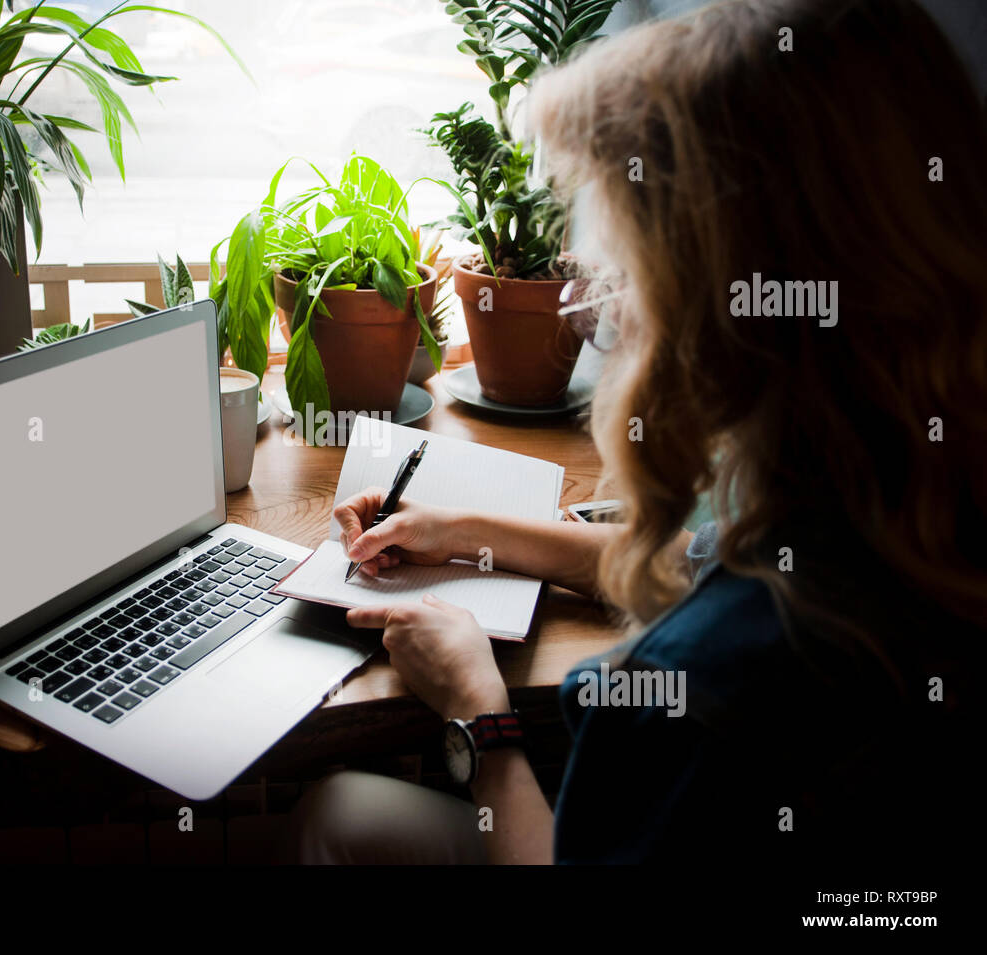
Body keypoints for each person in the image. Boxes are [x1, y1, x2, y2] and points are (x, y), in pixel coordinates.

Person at [286, 0, 986, 864]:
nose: (600, 309)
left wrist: (481, 715)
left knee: (336, 813)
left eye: (622, 270)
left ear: (718, 310)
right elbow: (699, 569)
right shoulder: (901, 485)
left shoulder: (690, 697)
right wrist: (460, 533)